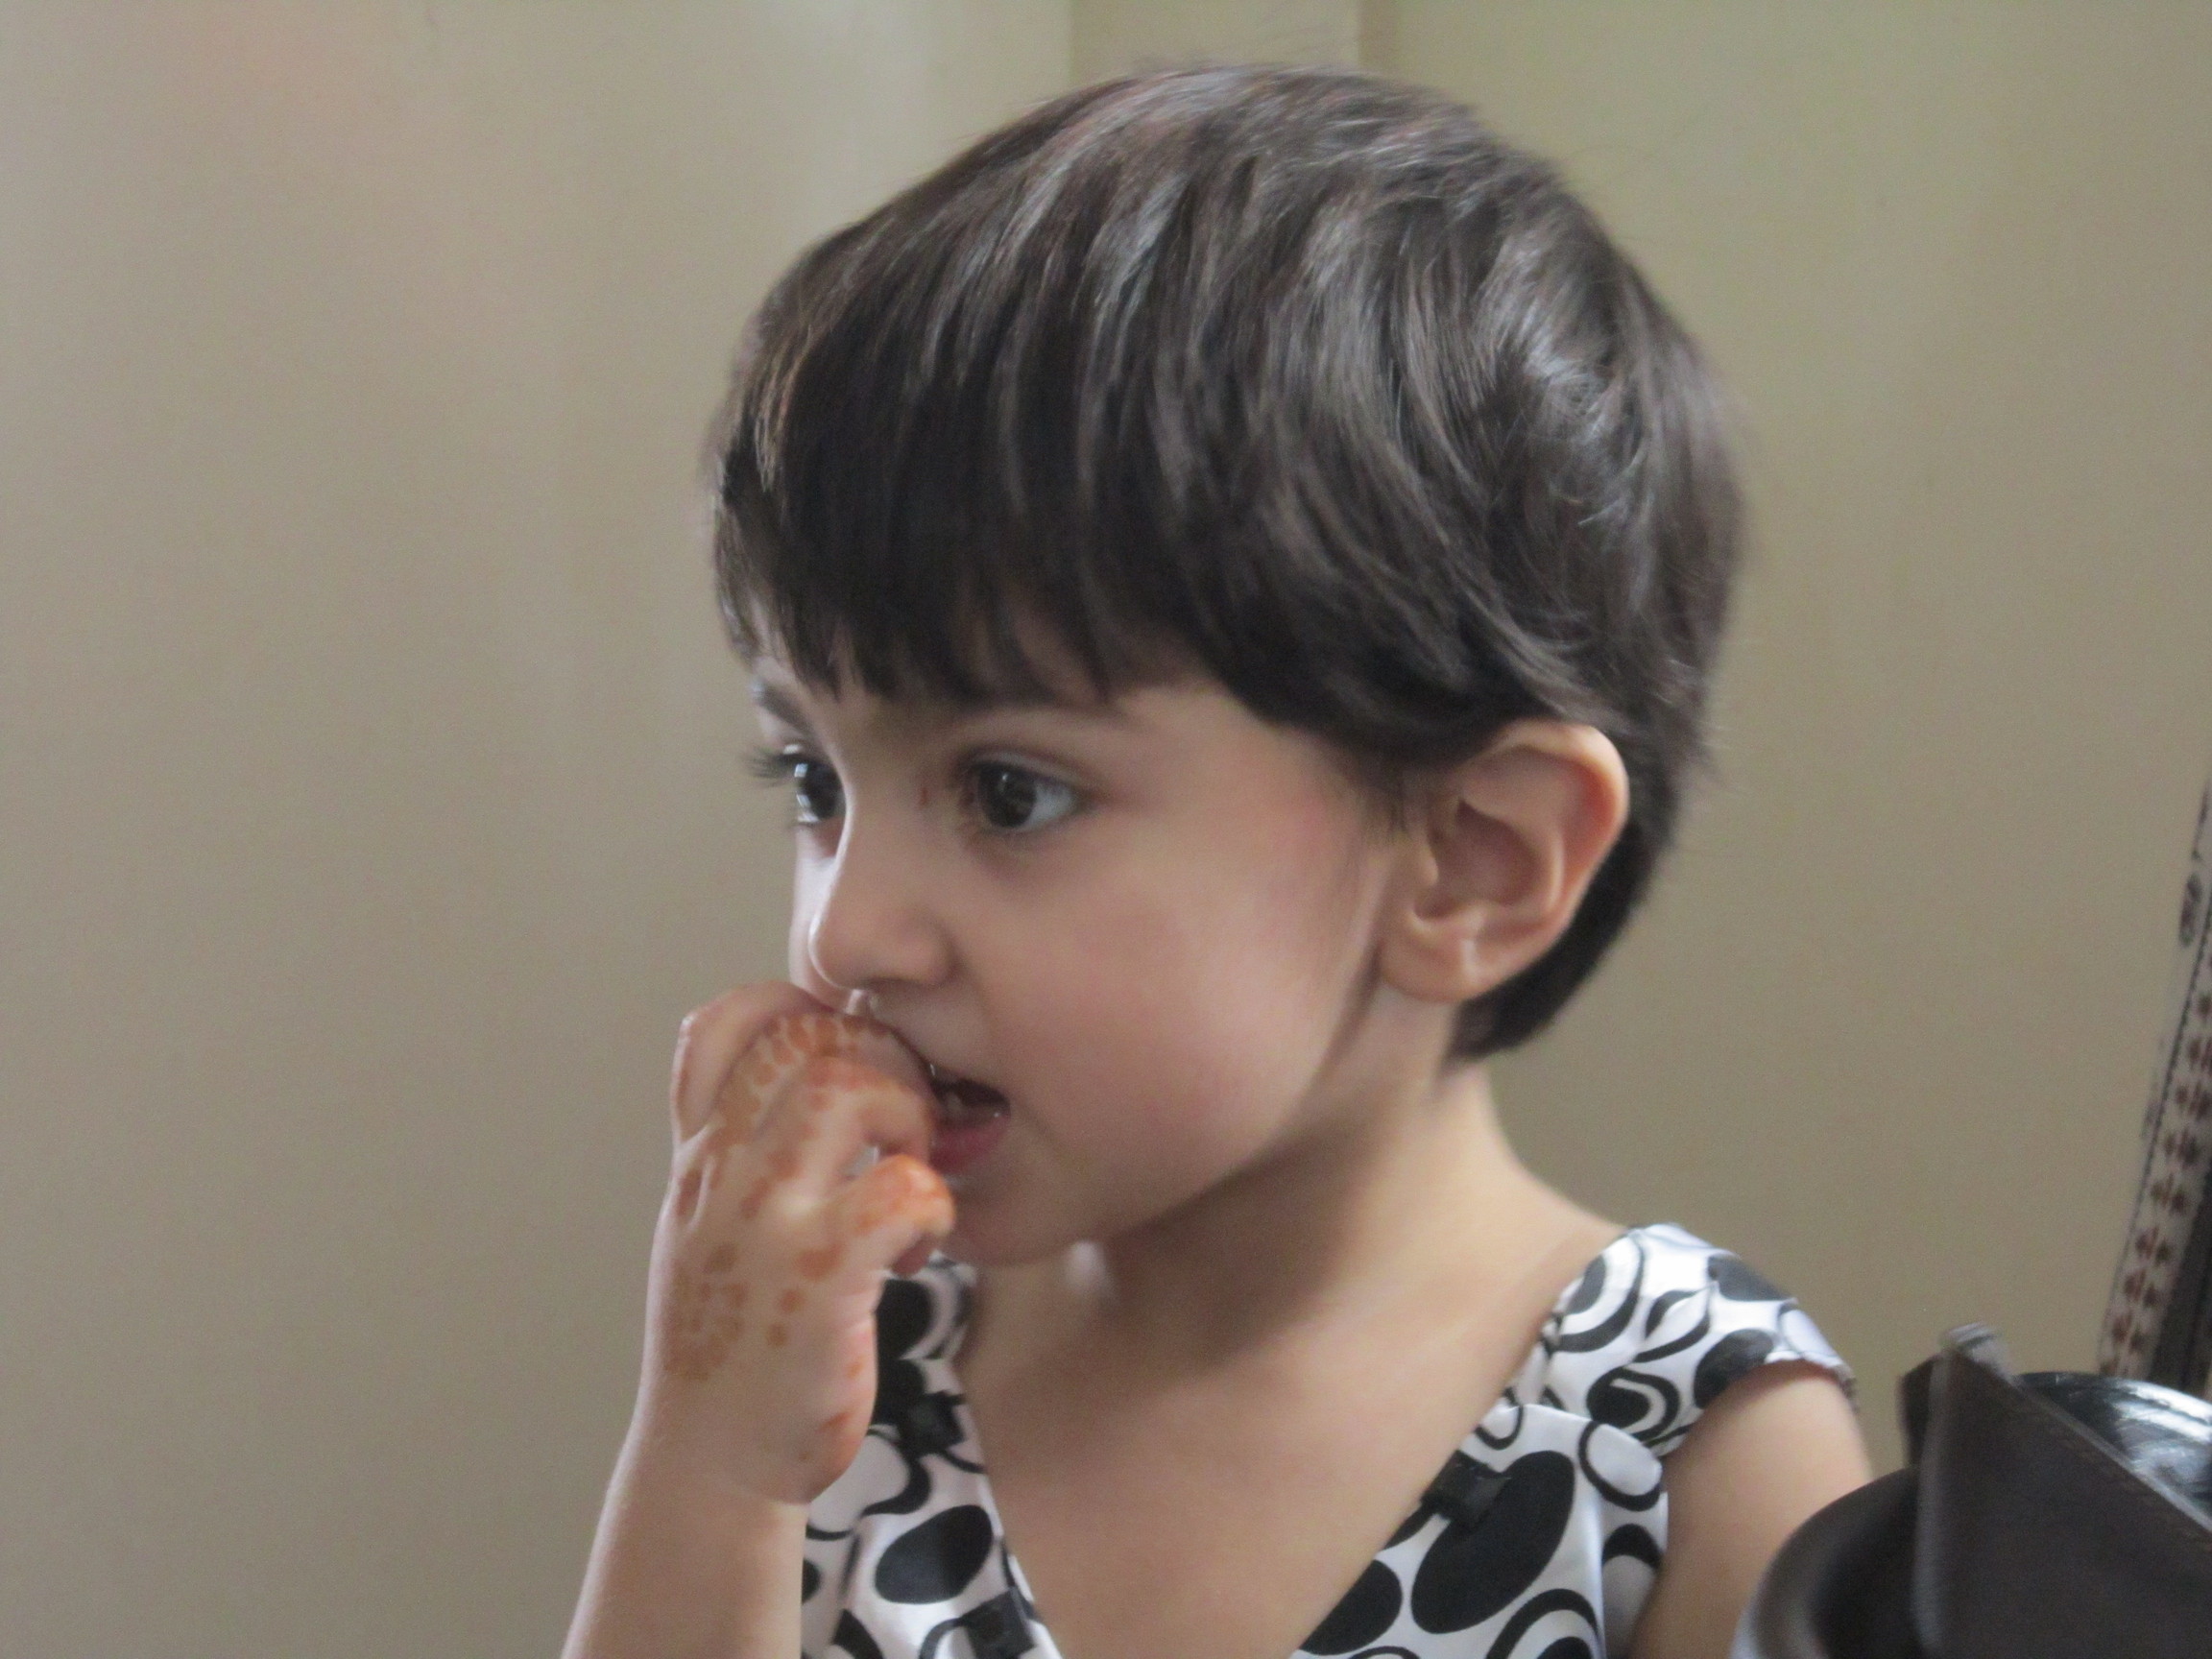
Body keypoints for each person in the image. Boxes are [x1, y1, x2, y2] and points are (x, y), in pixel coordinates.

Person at [564, 64, 1869, 1659]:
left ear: (1472, 860)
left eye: (1010, 793)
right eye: (813, 780)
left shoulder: (1692, 1454)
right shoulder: (841, 1352)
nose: (849, 935)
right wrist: (710, 1463)